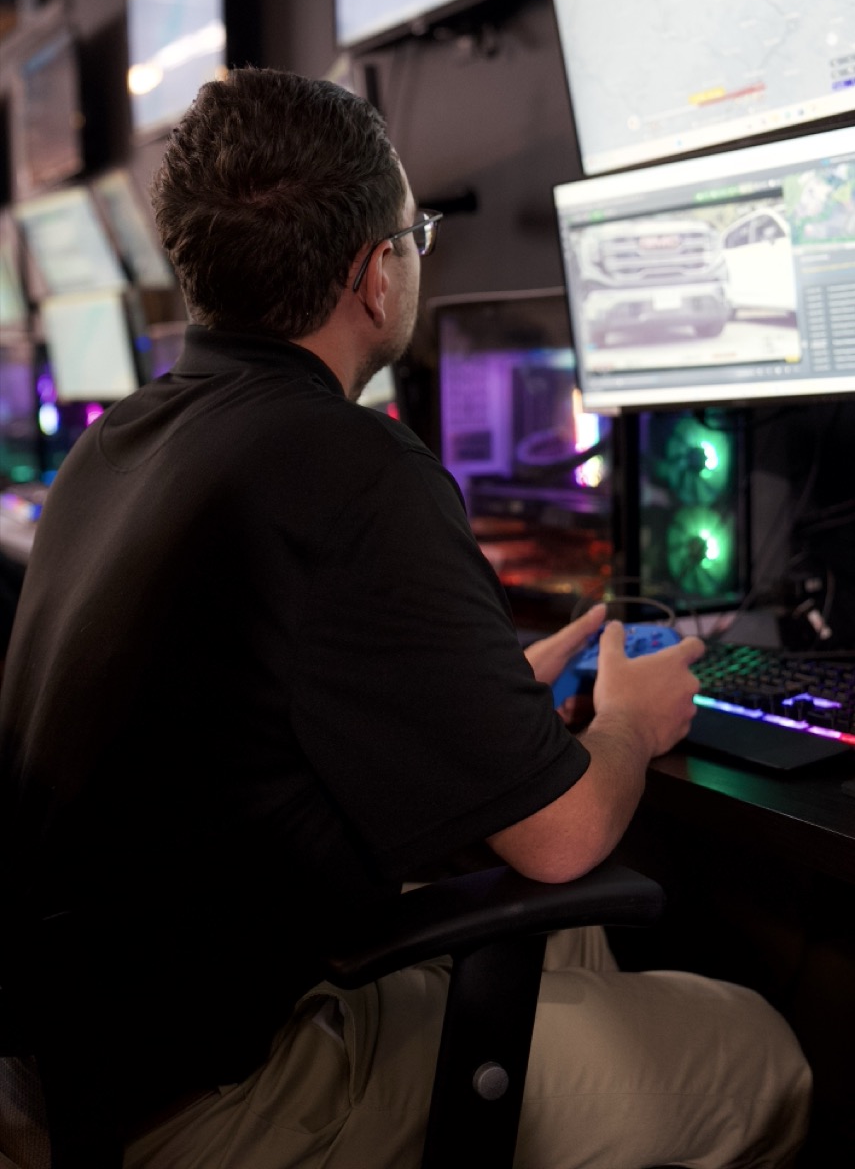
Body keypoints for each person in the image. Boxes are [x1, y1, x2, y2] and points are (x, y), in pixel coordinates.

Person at [0, 68, 810, 1168]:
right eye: (416, 234)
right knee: (762, 1055)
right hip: (213, 1102)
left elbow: (239, 721)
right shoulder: (347, 461)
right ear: (375, 275)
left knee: (567, 929)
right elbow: (565, 834)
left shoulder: (120, 446)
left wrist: (479, 693)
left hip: (73, 1071)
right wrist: (630, 717)